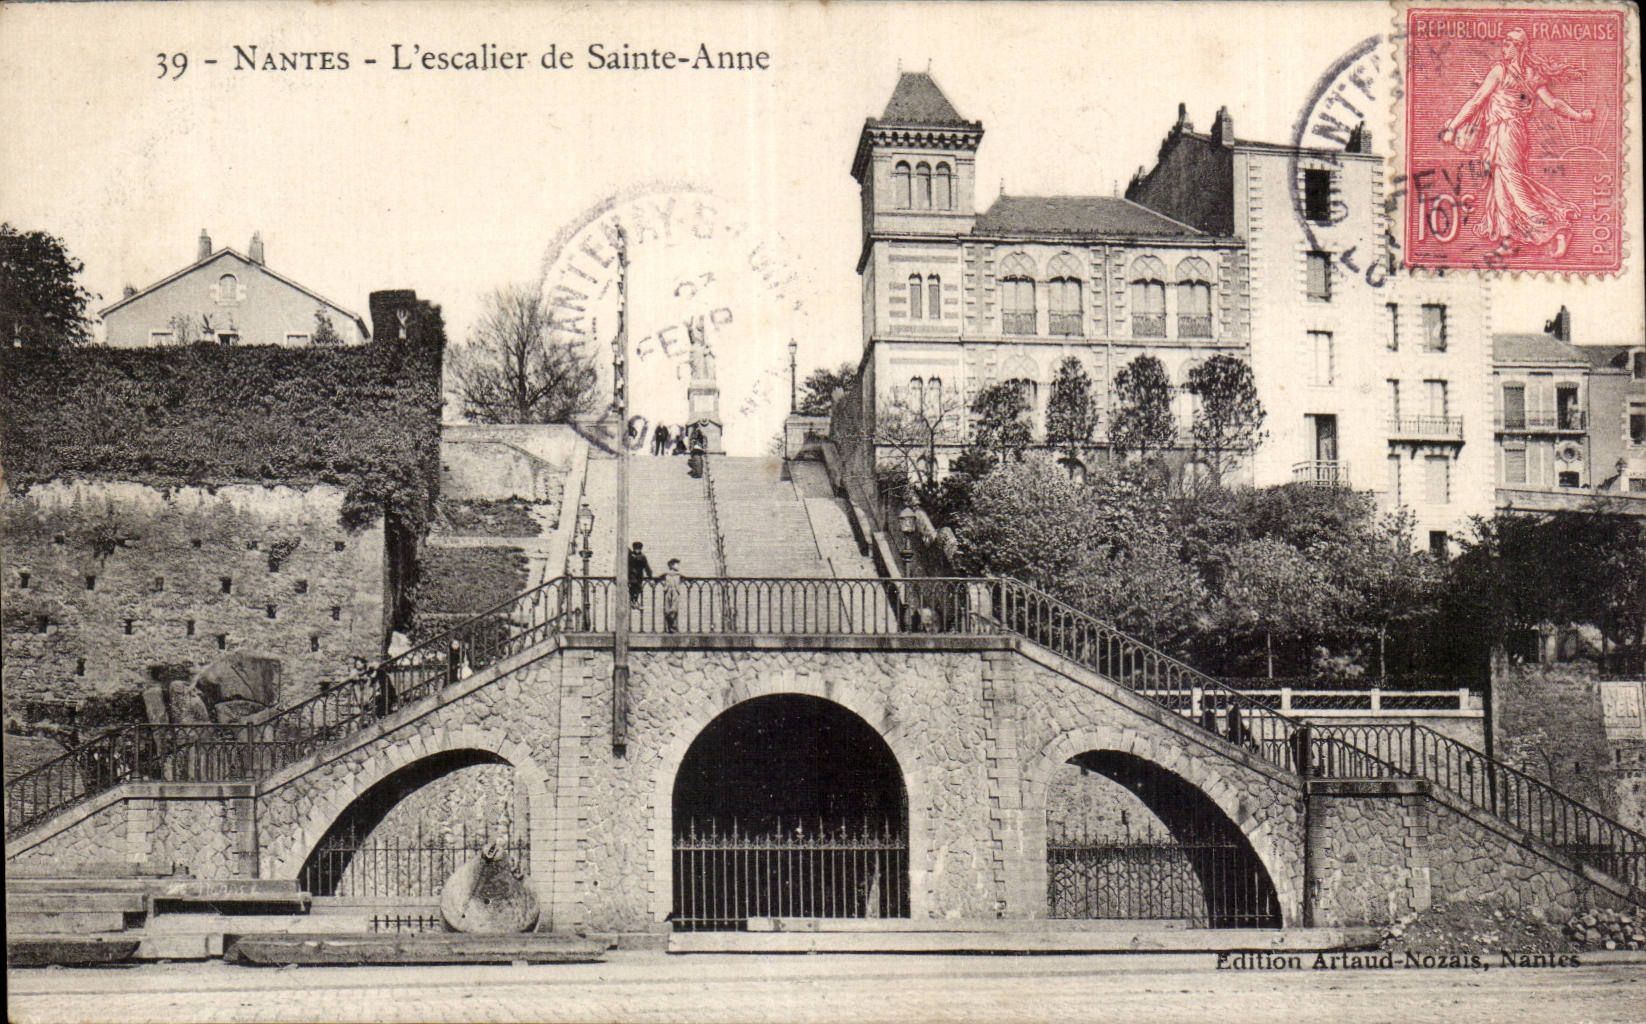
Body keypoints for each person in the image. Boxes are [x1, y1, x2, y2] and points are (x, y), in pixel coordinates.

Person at [1441, 27, 1594, 258]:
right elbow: (1477, 101)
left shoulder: (1506, 72)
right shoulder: (1517, 72)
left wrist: (1453, 127)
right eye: (1505, 42)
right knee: (1500, 185)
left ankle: (1558, 230)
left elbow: (1552, 104)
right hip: (1504, 132)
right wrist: (1579, 115)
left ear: (1521, 47)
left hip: (1509, 132)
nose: (1506, 46)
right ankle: (1508, 239)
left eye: (1511, 43)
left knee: (1513, 185)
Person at [661, 558, 684, 633]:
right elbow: (660, 577)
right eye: (676, 564)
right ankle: (671, 627)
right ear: (671, 565)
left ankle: (673, 626)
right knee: (668, 608)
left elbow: (684, 578)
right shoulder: (666, 574)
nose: (678, 566)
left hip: (675, 591)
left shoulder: (679, 575)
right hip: (668, 591)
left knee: (674, 609)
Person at [627, 540, 653, 609]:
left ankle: (634, 601)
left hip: (639, 576)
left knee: (638, 588)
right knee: (633, 587)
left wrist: (650, 577)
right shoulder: (630, 556)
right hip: (631, 575)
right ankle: (633, 601)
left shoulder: (642, 557)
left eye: (638, 549)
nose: (637, 550)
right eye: (636, 549)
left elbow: (646, 567)